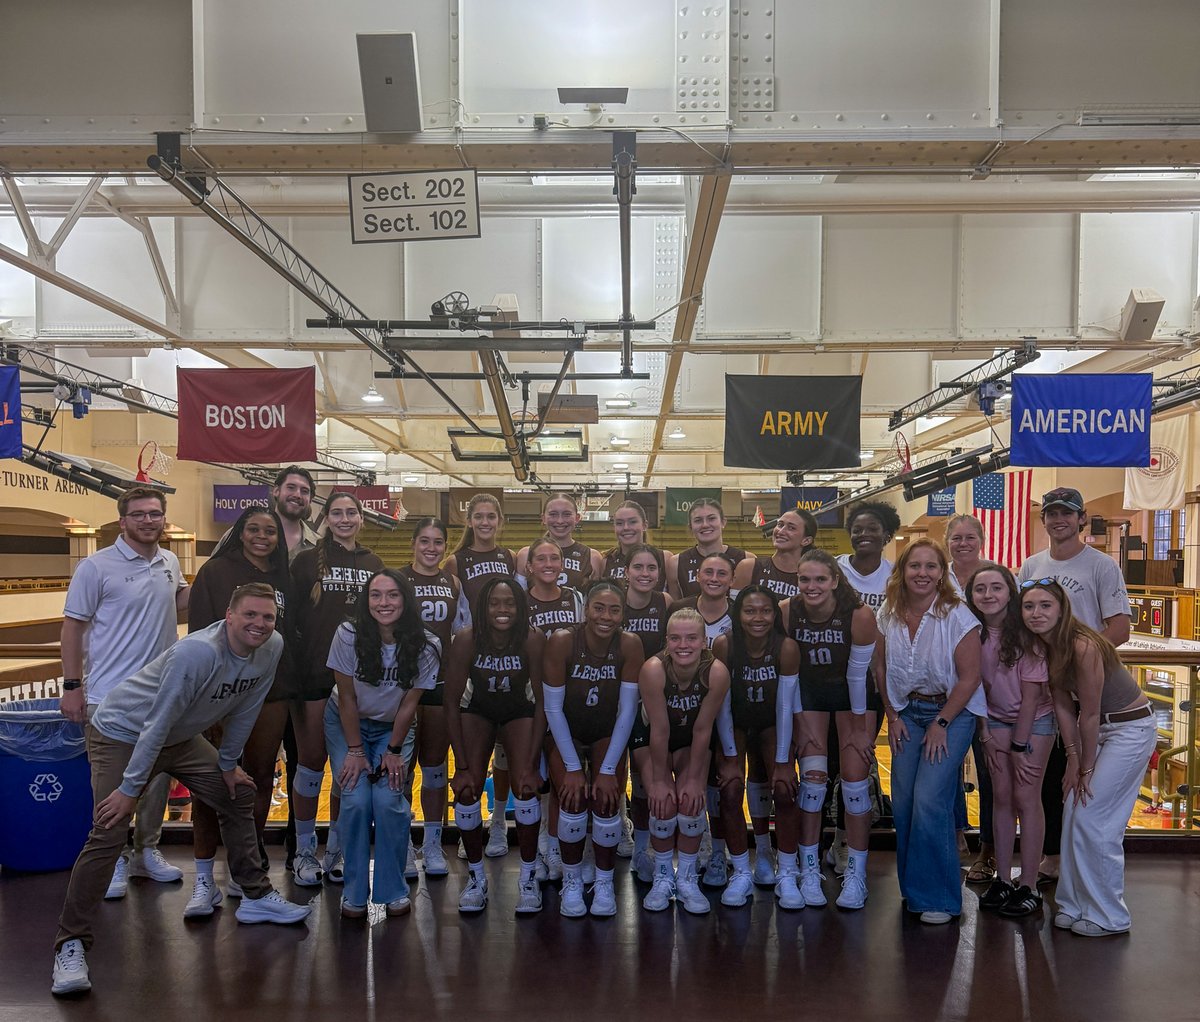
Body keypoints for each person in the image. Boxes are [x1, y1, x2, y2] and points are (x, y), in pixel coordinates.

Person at [51, 584, 310, 997]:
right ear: (229, 614)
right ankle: (71, 945)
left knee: (239, 792)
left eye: (267, 618)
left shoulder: (271, 647)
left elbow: (246, 705)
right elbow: (155, 722)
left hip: (180, 737)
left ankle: (255, 894)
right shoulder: (198, 652)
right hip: (123, 732)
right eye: (250, 616)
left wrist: (228, 765)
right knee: (110, 829)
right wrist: (130, 791)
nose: (259, 625)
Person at [58, 486, 190, 900]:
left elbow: (178, 601)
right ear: (123, 521)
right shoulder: (95, 568)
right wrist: (72, 686)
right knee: (109, 784)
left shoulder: (169, 561)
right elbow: (72, 628)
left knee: (155, 780)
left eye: (155, 514)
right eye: (139, 515)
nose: (148, 521)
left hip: (161, 694)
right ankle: (112, 857)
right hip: (108, 697)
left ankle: (145, 852)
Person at [1019, 579, 1155, 937]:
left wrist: (1085, 767)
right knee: (1072, 812)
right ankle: (1075, 903)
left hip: (1129, 730)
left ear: (1061, 609)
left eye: (1045, 605)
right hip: (1100, 731)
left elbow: (1090, 714)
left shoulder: (1084, 645)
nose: (1037, 613)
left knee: (1094, 816)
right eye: (1029, 606)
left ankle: (1110, 915)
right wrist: (1074, 757)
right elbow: (1064, 705)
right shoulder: (1044, 647)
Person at [184, 505, 296, 916]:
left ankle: (242, 869)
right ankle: (202, 881)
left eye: (270, 530)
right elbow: (198, 632)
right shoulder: (216, 572)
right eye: (254, 528)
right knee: (210, 782)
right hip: (221, 691)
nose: (262, 535)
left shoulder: (284, 576)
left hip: (272, 689)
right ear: (241, 532)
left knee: (259, 777)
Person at [1017, 486, 1131, 885]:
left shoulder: (1101, 566)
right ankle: (1051, 857)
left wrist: (1078, 662)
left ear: (1081, 518)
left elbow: (1120, 627)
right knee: (1048, 777)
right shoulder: (1031, 566)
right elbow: (1023, 621)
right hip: (1046, 690)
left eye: (1067, 513)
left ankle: (1083, 867)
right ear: (1044, 519)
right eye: (1052, 513)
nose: (1058, 520)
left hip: (1087, 689)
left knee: (1084, 779)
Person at [874, 539, 984, 925]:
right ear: (902, 571)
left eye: (931, 566)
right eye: (915, 566)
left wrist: (941, 723)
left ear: (943, 573)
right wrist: (893, 713)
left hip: (950, 713)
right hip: (907, 711)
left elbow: (970, 678)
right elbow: (880, 669)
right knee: (902, 802)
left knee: (930, 800)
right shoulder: (888, 613)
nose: (922, 573)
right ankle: (915, 890)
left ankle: (940, 897)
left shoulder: (958, 615)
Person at [326, 569, 440, 917]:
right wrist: (356, 751)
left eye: (392, 595)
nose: (383, 602)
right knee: (357, 799)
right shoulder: (348, 634)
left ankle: (392, 889)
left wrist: (392, 751)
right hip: (347, 724)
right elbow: (346, 698)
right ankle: (354, 892)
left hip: (394, 728)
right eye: (376, 595)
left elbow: (409, 703)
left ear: (405, 600)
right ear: (366, 600)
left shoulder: (428, 644)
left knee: (389, 799)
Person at [289, 492, 384, 886]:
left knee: (347, 769)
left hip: (357, 681)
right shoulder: (307, 561)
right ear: (326, 518)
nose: (345, 519)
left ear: (362, 519)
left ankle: (338, 847)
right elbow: (291, 618)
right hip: (314, 676)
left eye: (352, 513)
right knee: (311, 766)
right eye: (337, 513)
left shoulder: (374, 563)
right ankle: (303, 850)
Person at [444, 576, 546, 914]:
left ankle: (529, 877)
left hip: (519, 710)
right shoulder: (466, 640)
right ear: (482, 607)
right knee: (468, 788)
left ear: (520, 607)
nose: (502, 610)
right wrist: (459, 766)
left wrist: (531, 764)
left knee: (527, 787)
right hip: (479, 710)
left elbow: (543, 702)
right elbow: (451, 701)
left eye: (510, 603)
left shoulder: (532, 639)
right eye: (494, 603)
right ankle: (475, 877)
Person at [543, 581, 645, 916]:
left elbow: (627, 712)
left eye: (615, 609)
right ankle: (571, 881)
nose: (606, 616)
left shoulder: (630, 644)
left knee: (606, 799)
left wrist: (605, 771)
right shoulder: (563, 641)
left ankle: (603, 882)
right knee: (571, 799)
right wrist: (573, 768)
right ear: (585, 609)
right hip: (566, 730)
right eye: (599, 608)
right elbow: (553, 709)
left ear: (623, 614)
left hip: (605, 731)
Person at [785, 549, 879, 910]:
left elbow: (857, 675)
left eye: (820, 579)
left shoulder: (858, 614)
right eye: (804, 579)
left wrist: (857, 728)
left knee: (855, 786)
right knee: (812, 783)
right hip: (809, 695)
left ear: (835, 581)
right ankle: (809, 869)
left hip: (853, 695)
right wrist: (795, 724)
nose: (812, 586)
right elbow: (789, 675)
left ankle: (856, 873)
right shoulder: (787, 611)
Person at [966, 565, 1054, 918]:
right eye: (980, 588)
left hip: (1033, 723)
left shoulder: (1027, 635)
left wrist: (1019, 745)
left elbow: (1032, 699)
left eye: (996, 588)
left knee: (1026, 797)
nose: (988, 595)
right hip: (995, 720)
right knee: (1000, 798)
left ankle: (1029, 884)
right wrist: (985, 732)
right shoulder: (971, 633)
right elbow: (975, 686)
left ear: (1009, 592)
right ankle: (1003, 878)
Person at [633, 609, 734, 914]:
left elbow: (703, 729)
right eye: (675, 638)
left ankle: (687, 878)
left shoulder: (716, 672)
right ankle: (663, 877)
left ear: (705, 641)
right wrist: (661, 782)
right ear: (666, 642)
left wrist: (693, 780)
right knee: (662, 803)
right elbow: (660, 732)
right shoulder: (653, 669)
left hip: (693, 738)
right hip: (651, 736)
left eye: (692, 638)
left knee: (691, 803)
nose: (683, 645)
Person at [712, 586, 802, 908]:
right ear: (738, 615)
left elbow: (785, 706)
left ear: (775, 614)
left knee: (784, 787)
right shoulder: (725, 645)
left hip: (771, 721)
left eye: (765, 610)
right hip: (735, 721)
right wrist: (731, 756)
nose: (758, 617)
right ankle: (740, 872)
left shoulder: (786, 647)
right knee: (731, 786)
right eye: (750, 611)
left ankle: (787, 871)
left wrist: (782, 761)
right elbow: (721, 705)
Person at [825, 499, 901, 874]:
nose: (864, 534)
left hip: (872, 682)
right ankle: (824, 838)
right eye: (857, 528)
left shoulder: (894, 576)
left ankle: (845, 841)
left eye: (872, 528)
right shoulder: (834, 568)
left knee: (855, 762)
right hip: (828, 678)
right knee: (825, 762)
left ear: (887, 534)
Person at [445, 493, 518, 857]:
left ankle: (500, 821)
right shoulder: (454, 561)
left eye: (492, 516)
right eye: (479, 517)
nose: (486, 522)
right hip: (472, 660)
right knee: (474, 753)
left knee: (504, 753)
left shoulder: (509, 558)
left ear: (500, 521)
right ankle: (467, 828)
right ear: (468, 520)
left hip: (506, 661)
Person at [399, 517, 460, 878]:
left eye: (438, 542)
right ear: (413, 543)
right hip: (402, 684)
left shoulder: (452, 582)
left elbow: (460, 629)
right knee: (402, 770)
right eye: (424, 541)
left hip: (439, 682)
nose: (431, 548)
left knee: (435, 768)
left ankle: (433, 843)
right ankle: (403, 843)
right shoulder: (397, 580)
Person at [669, 551, 736, 885]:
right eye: (707, 571)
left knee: (718, 783)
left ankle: (718, 854)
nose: (713, 578)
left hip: (724, 708)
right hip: (683, 708)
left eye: (721, 573)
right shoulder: (680, 609)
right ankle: (701, 845)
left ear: (731, 580)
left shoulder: (739, 613)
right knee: (688, 783)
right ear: (697, 575)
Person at [944, 513, 996, 881]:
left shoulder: (996, 576)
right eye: (956, 538)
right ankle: (953, 837)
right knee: (944, 769)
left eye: (969, 537)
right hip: (946, 686)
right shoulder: (936, 576)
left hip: (990, 687)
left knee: (991, 773)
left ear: (981, 539)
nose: (963, 543)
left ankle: (989, 852)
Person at [621, 543, 674, 880]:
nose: (644, 574)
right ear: (626, 572)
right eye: (638, 567)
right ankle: (611, 835)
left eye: (651, 568)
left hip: (650, 700)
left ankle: (644, 849)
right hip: (614, 697)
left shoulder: (665, 603)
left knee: (646, 779)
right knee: (609, 774)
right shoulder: (613, 601)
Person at [516, 493, 604, 589]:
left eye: (567, 514)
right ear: (543, 518)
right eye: (553, 514)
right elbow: (519, 599)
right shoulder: (525, 555)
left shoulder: (592, 557)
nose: (560, 521)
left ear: (577, 518)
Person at [667, 498, 747, 600]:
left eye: (711, 518)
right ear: (691, 527)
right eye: (698, 520)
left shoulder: (745, 559)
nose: (705, 525)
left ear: (723, 522)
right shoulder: (675, 563)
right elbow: (675, 608)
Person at [731, 508, 817, 599]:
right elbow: (734, 610)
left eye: (791, 528)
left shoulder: (814, 577)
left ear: (806, 540)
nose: (781, 531)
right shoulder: (748, 567)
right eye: (780, 525)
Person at [525, 536, 585, 636]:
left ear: (562, 564)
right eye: (541, 559)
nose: (548, 564)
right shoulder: (520, 600)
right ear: (530, 566)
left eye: (554, 558)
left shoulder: (576, 598)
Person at [603, 500, 670, 586]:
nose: (626, 527)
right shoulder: (605, 561)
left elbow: (674, 597)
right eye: (619, 523)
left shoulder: (665, 558)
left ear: (644, 525)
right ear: (614, 527)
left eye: (632, 522)